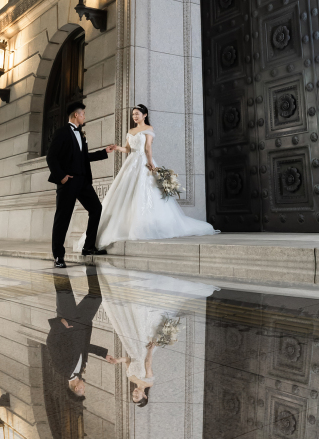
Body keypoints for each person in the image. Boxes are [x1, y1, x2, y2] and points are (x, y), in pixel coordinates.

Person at [82, 104, 217, 250]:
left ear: (144, 115)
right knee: (128, 192)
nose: (134, 116)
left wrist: (151, 163)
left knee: (145, 191)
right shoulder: (131, 131)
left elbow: (147, 148)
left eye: (137, 114)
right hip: (131, 162)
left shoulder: (149, 129)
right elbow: (127, 149)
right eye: (133, 114)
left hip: (143, 162)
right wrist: (117, 148)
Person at [96, 266, 218, 407]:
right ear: (145, 396)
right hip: (143, 349)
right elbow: (148, 364)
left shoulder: (131, 379)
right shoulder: (149, 382)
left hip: (133, 349)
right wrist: (149, 350)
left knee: (131, 320)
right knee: (143, 321)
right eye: (137, 396)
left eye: (133, 395)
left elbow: (129, 360)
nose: (135, 393)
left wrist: (118, 360)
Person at [47, 99, 115, 267]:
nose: (85, 117)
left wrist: (103, 152)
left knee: (96, 208)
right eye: (83, 114)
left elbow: (84, 157)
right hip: (68, 182)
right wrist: (61, 176)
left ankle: (89, 247)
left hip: (83, 181)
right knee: (63, 218)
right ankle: (58, 256)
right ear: (76, 115)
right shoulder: (62, 132)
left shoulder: (80, 133)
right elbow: (51, 157)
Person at [46, 268, 121, 401]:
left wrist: (61, 323)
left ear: (77, 388)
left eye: (83, 389)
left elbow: (51, 343)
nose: (84, 386)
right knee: (96, 296)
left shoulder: (61, 369)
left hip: (68, 320)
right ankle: (90, 265)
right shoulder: (80, 370)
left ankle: (58, 261)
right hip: (82, 323)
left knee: (64, 289)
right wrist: (104, 354)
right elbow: (84, 347)